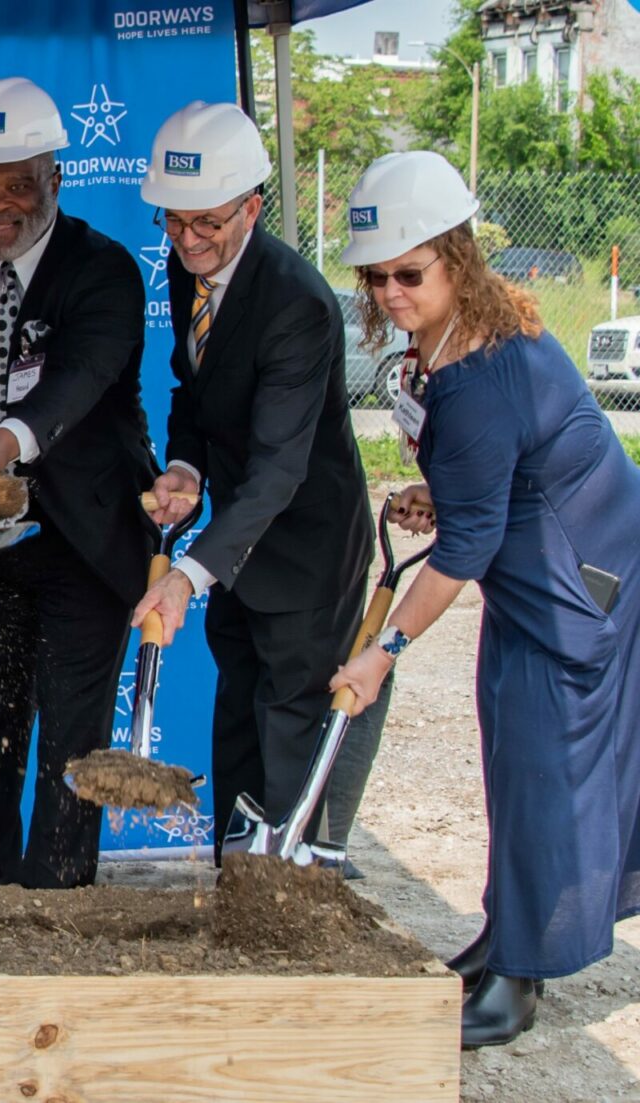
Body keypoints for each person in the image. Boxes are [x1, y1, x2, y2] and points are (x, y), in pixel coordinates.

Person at [329, 151, 640, 1048]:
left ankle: (522, 977)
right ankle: (505, 937)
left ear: (455, 257)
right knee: (512, 753)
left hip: (582, 584)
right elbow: (494, 486)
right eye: (377, 275)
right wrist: (451, 496)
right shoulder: (460, 336)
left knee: (546, 772)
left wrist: (381, 650)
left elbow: (465, 548)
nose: (390, 292)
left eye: (409, 272)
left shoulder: (477, 376)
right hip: (535, 573)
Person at [0, 78, 159, 890]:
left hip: (85, 538)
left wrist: (4, 443)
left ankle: (57, 913)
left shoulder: (105, 270)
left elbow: (78, 381)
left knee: (70, 740)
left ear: (55, 177)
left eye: (18, 183)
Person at [128, 102, 373, 860]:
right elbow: (193, 388)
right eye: (174, 223)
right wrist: (185, 467)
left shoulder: (296, 303)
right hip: (238, 541)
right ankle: (235, 879)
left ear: (253, 207)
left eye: (207, 224)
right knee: (239, 711)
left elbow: (279, 469)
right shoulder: (184, 269)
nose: (189, 241)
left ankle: (293, 897)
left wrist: (186, 577)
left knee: (291, 725)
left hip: (305, 547)